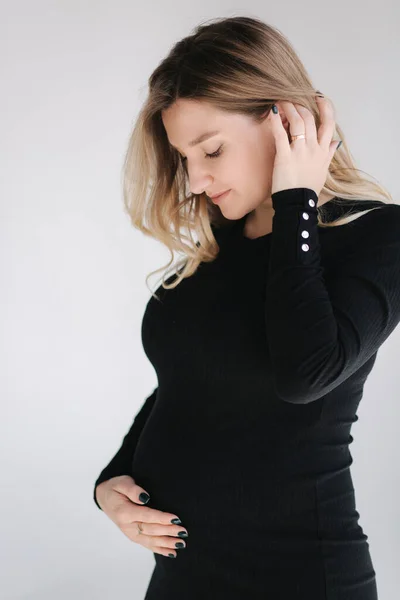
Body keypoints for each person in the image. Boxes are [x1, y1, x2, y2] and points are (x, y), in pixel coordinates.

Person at [93, 16, 400, 599]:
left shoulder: (379, 238)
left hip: (301, 578)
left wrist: (296, 204)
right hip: (184, 574)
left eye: (210, 150)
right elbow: (186, 384)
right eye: (184, 156)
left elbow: (305, 372)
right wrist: (114, 479)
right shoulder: (220, 241)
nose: (197, 177)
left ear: (286, 122)